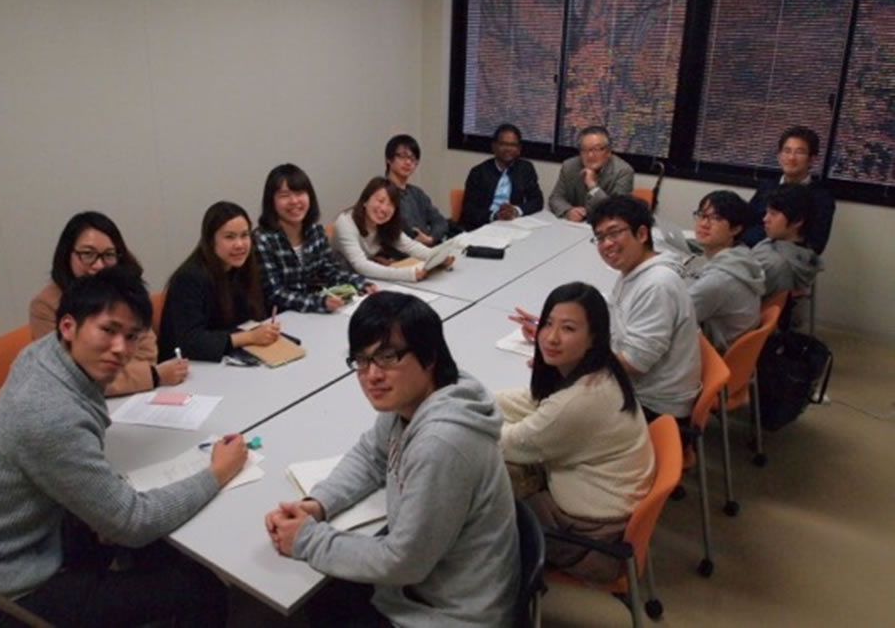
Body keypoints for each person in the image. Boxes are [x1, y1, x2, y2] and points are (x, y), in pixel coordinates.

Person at [0, 267, 248, 627]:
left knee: (144, 544)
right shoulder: (50, 415)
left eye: (131, 336)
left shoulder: (43, 354)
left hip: (8, 532)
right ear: (68, 326)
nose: (121, 349)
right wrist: (217, 472)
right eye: (108, 330)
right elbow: (133, 522)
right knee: (200, 588)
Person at [265, 292, 519, 628]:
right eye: (361, 360)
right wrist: (318, 504)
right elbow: (371, 456)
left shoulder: (441, 444)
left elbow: (403, 561)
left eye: (388, 357)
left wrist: (306, 540)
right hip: (433, 586)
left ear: (429, 356)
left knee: (316, 601)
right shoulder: (419, 397)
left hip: (451, 614)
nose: (372, 375)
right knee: (325, 598)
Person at [494, 282, 654, 583]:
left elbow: (512, 443)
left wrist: (460, 415)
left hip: (590, 538)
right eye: (547, 324)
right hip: (598, 503)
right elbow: (534, 401)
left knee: (477, 494)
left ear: (594, 337)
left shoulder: (582, 399)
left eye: (568, 328)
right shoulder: (599, 370)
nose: (551, 337)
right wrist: (476, 400)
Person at [29, 211, 187, 396]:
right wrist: (152, 376)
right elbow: (68, 376)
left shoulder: (124, 294)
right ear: (67, 255)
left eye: (108, 255)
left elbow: (147, 352)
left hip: (132, 398)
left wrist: (122, 375)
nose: (99, 265)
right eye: (88, 254)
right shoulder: (45, 305)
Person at [588, 196, 700, 423]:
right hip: (643, 391)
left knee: (555, 404)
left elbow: (634, 363)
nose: (606, 244)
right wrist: (566, 325)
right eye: (600, 237)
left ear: (641, 234)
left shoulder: (657, 284)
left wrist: (573, 354)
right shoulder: (637, 270)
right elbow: (616, 310)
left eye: (614, 233)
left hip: (653, 408)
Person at [159, 201, 278, 362]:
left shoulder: (241, 268)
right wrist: (250, 337)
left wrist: (265, 330)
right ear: (210, 240)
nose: (239, 245)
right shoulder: (189, 278)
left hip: (231, 358)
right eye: (229, 237)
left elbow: (248, 318)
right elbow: (191, 342)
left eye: (244, 235)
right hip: (189, 366)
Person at [253, 163, 374, 313]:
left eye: (299, 193)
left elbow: (330, 271)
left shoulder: (315, 231)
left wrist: (360, 283)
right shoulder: (262, 240)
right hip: (282, 318)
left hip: (315, 314)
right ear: (271, 201)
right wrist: (319, 302)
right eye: (285, 195)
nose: (294, 201)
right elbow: (274, 293)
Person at [332, 177, 453, 283]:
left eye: (391, 204)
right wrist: (407, 274)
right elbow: (361, 265)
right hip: (342, 280)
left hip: (369, 279)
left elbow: (410, 246)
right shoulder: (346, 222)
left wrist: (437, 258)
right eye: (380, 201)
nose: (384, 209)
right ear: (365, 200)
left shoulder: (386, 223)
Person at [686, 191, 766, 352]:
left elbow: (671, 316)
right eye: (702, 215)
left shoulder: (720, 280)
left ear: (735, 229)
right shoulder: (741, 256)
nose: (704, 224)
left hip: (710, 357)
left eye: (716, 218)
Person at [741, 126, 836, 254]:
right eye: (787, 151)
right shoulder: (767, 187)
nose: (791, 157)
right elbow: (745, 223)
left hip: (790, 260)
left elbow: (815, 244)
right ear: (779, 156)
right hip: (750, 253)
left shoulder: (821, 198)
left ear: (812, 159)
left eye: (800, 152)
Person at [459, 123, 543, 230]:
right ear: (494, 147)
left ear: (519, 149)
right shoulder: (478, 172)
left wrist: (515, 210)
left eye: (513, 145)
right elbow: (469, 210)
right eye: (503, 144)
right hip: (484, 225)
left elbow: (537, 201)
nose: (508, 149)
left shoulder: (525, 169)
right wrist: (494, 215)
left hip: (512, 224)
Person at [548, 125, 635, 222]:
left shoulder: (623, 171)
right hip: (575, 226)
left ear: (608, 152)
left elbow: (616, 212)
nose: (590, 155)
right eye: (584, 149)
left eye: (596, 149)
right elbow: (555, 198)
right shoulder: (569, 166)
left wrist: (593, 186)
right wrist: (568, 211)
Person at [752, 184, 824, 297]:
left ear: (797, 221)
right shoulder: (804, 254)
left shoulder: (775, 264)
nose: (765, 219)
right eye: (766, 212)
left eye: (773, 214)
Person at [384, 134, 450, 246]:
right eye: (403, 156)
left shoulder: (416, 193)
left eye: (413, 158)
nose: (408, 162)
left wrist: (431, 238)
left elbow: (440, 221)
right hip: (402, 251)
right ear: (389, 159)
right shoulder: (382, 193)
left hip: (428, 247)